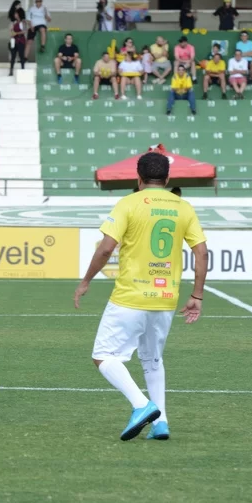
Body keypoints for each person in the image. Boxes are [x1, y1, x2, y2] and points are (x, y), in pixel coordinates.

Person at [74, 151, 208, 441]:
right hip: (165, 299)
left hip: (130, 297)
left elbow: (106, 248)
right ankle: (161, 423)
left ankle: (142, 405)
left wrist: (86, 280)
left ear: (138, 178)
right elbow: (201, 251)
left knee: (103, 356)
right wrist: (197, 295)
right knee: (152, 359)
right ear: (168, 178)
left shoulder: (128, 203)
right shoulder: (183, 207)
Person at [9, 7, 27, 76]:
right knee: (13, 56)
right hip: (14, 40)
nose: (15, 14)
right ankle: (11, 71)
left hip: (21, 40)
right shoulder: (14, 22)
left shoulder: (23, 22)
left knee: (21, 55)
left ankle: (23, 69)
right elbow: (11, 31)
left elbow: (24, 31)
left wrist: (17, 33)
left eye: (16, 13)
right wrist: (11, 31)